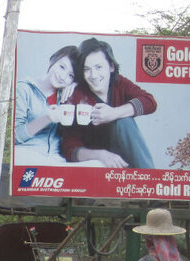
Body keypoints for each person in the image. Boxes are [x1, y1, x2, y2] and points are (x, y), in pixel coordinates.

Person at [61, 37, 157, 168]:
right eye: (86, 69)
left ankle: (150, 180)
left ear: (111, 66)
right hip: (95, 164)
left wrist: (114, 113)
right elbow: (69, 149)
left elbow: (149, 102)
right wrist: (101, 155)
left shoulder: (119, 83)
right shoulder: (76, 95)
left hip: (125, 162)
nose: (93, 75)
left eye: (99, 67)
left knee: (125, 121)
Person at [13, 45, 78, 164]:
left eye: (71, 75)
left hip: (56, 159)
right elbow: (14, 137)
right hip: (26, 154)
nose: (63, 76)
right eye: (62, 67)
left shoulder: (66, 95)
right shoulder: (24, 89)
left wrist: (76, 86)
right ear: (52, 60)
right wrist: (46, 118)